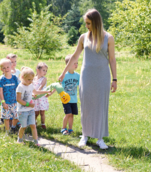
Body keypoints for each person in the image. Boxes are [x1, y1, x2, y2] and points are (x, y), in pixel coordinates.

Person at [58, 9, 117, 149]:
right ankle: (85, 135)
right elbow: (74, 56)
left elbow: (112, 59)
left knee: (101, 106)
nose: (87, 26)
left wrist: (115, 79)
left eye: (89, 23)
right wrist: (63, 73)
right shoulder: (84, 37)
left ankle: (100, 138)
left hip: (103, 75)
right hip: (87, 75)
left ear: (96, 22)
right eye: (86, 23)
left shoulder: (109, 38)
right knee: (86, 105)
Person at [16, 67, 51, 145]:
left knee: (33, 125)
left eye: (32, 79)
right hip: (22, 111)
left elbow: (36, 92)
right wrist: (28, 104)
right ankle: (19, 140)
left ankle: (36, 142)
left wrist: (46, 91)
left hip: (31, 110)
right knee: (24, 126)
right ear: (22, 77)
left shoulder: (31, 85)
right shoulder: (20, 87)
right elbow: (18, 99)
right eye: (29, 79)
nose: (31, 81)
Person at [60, 54, 80, 135]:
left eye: (77, 63)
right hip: (66, 99)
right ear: (68, 65)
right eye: (74, 63)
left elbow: (81, 85)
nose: (76, 65)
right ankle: (63, 128)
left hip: (74, 99)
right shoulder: (64, 75)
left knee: (72, 115)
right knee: (68, 114)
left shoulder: (77, 75)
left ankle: (70, 129)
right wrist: (51, 92)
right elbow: (58, 86)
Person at [0, 58, 19, 135]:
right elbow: (0, 91)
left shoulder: (15, 78)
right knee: (6, 118)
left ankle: (13, 127)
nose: (6, 69)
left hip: (15, 102)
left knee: (16, 117)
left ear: (11, 67)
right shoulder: (2, 79)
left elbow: (18, 88)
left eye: (8, 67)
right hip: (6, 102)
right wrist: (3, 102)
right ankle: (7, 131)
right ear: (1, 69)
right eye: (4, 68)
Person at [33, 62, 49, 129]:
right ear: (38, 70)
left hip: (41, 98)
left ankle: (43, 124)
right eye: (43, 70)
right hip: (35, 98)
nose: (45, 72)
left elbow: (41, 86)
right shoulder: (33, 78)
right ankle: (34, 122)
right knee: (36, 112)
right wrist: (33, 93)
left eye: (46, 71)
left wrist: (36, 92)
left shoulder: (44, 79)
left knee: (42, 112)